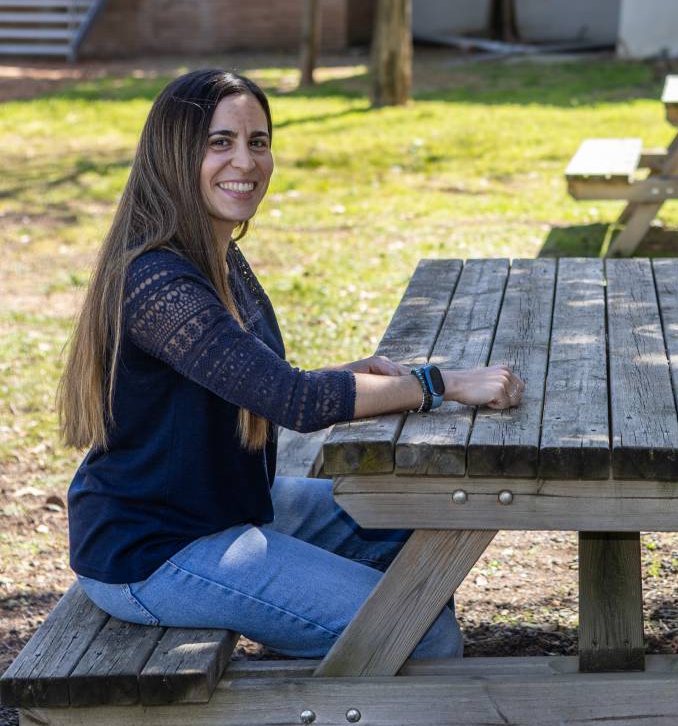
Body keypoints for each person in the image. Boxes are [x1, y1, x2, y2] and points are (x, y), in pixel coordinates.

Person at [57, 69, 525, 659]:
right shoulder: (156, 280)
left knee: (414, 517)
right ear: (174, 156)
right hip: (158, 548)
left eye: (258, 141)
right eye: (219, 142)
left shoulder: (217, 253)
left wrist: (352, 372)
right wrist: (437, 384)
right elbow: (291, 400)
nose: (245, 162)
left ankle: (348, 667)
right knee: (418, 633)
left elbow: (250, 381)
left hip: (230, 505)